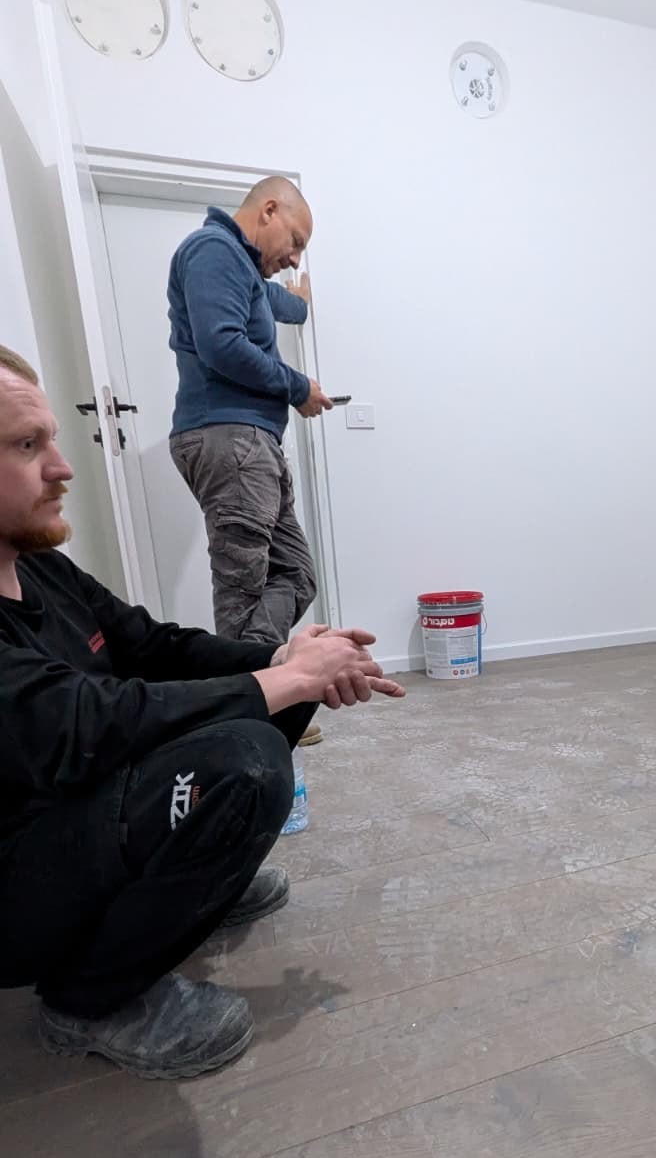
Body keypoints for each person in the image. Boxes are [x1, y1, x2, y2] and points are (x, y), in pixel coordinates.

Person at [0, 345, 404, 1079]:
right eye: (28, 445)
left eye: (53, 439)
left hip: (65, 820)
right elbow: (83, 722)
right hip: (11, 892)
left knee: (268, 711)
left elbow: (152, 646)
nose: (62, 467)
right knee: (241, 768)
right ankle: (87, 999)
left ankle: (182, 877)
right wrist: (275, 683)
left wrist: (286, 664)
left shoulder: (37, 566)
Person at [168, 177, 333, 743]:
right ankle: (244, 717)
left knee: (296, 574)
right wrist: (297, 386)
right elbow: (221, 343)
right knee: (242, 588)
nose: (294, 258)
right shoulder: (212, 251)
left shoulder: (247, 271)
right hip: (227, 437)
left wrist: (303, 304)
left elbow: (281, 304)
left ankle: (261, 687)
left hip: (251, 442)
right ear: (268, 209)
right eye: (295, 240)